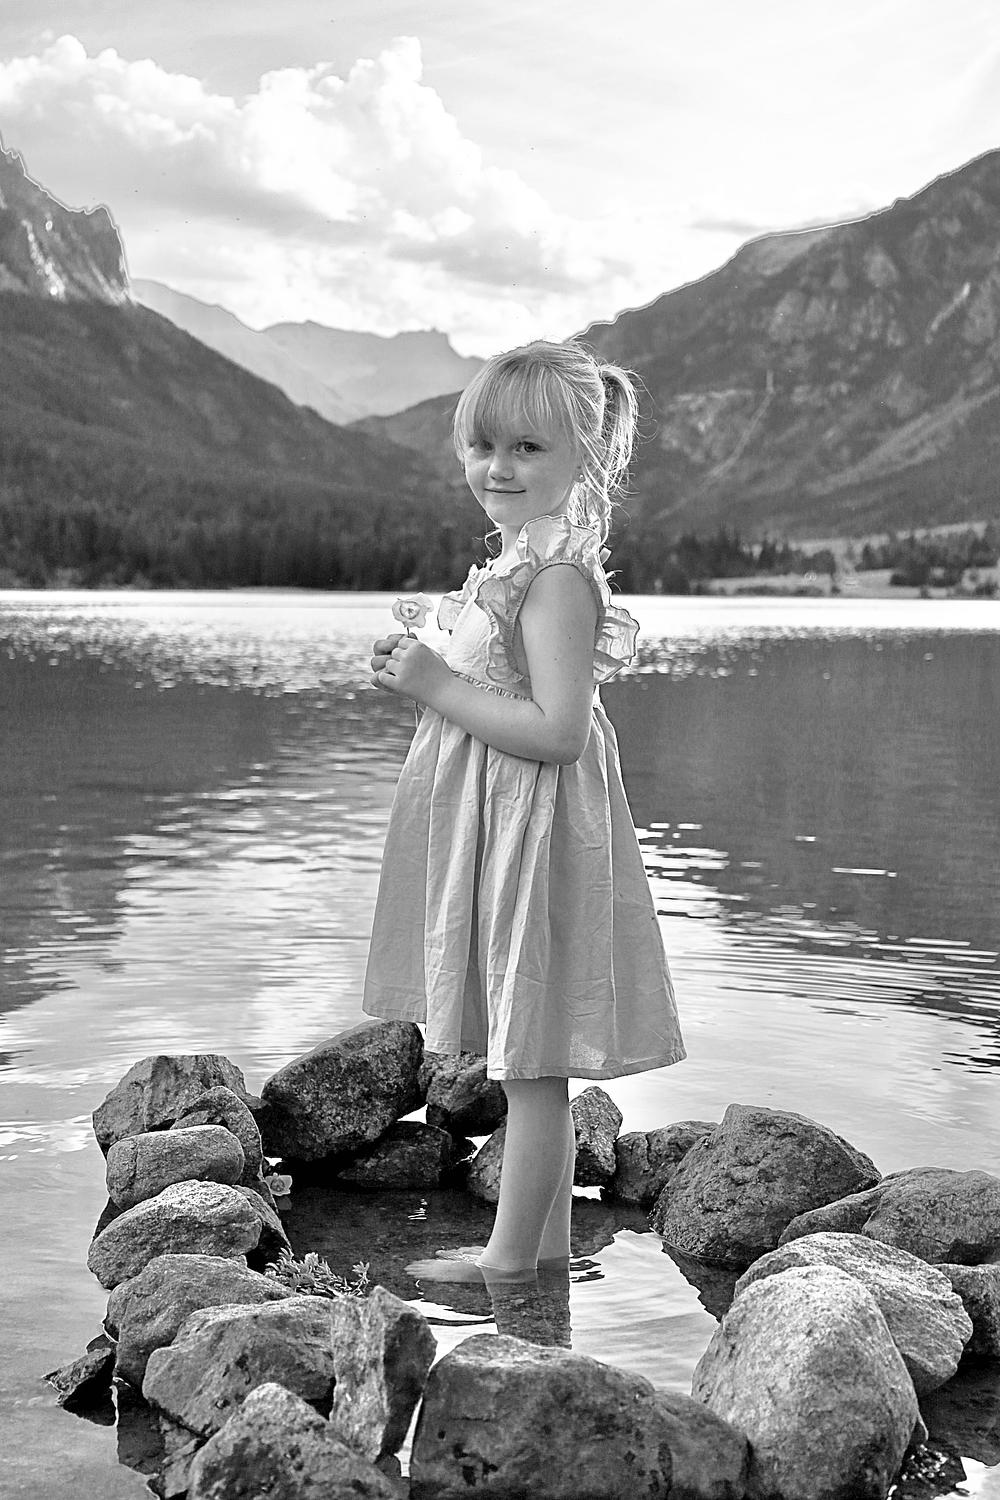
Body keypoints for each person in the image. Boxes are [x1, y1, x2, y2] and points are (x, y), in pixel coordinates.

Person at [363, 339, 685, 1300]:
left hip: (534, 836)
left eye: (528, 449)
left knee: (532, 1063)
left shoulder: (556, 581)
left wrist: (436, 686)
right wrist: (425, 670)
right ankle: (544, 1266)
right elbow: (496, 688)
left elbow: (556, 732)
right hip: (502, 826)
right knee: (526, 1048)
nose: (497, 468)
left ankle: (505, 1264)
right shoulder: (515, 565)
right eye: (482, 446)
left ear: (584, 456)